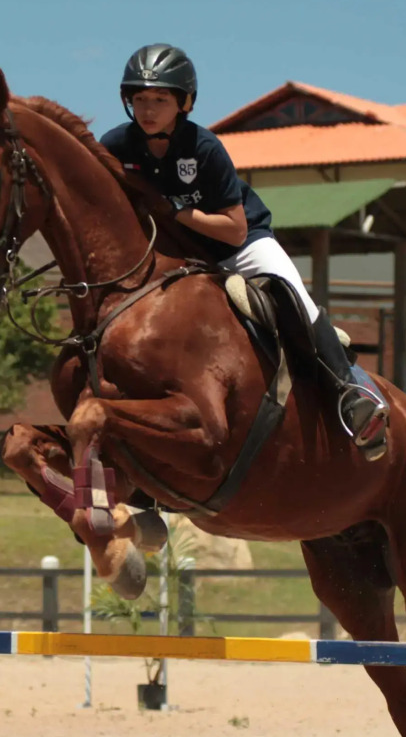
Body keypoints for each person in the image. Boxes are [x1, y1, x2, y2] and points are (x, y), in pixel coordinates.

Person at [98, 43, 389, 459]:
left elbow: (234, 230)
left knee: (297, 302)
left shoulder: (204, 148)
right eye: (140, 99)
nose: (148, 109)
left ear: (185, 103)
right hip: (180, 255)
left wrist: (175, 211)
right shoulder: (118, 145)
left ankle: (353, 394)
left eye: (160, 99)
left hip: (242, 246)